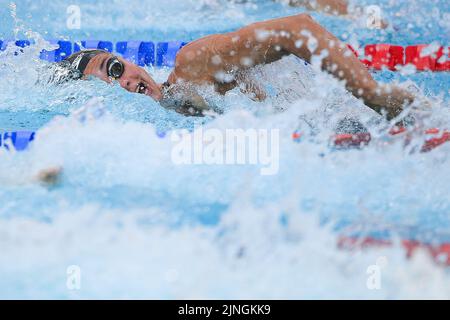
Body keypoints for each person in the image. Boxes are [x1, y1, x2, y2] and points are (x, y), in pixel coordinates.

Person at [56, 13, 415, 119]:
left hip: (355, 118)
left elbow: (296, 28)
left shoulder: (192, 65)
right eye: (106, 86)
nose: (124, 85)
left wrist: (370, 94)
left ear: (127, 60)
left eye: (115, 69)